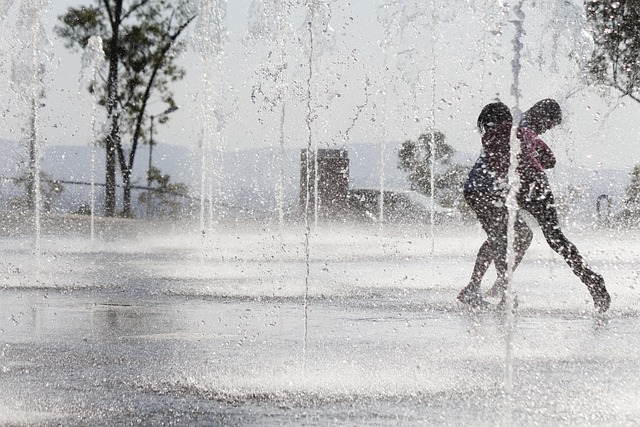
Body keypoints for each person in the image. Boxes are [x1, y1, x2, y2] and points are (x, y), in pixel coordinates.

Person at [459, 99, 611, 313]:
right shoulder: (525, 131)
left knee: (500, 236)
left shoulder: (491, 136)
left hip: (510, 186)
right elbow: (550, 160)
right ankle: (591, 279)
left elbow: (497, 164)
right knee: (555, 238)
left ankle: (504, 291)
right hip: (537, 183)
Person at [457, 102, 533, 307]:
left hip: (481, 191)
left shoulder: (498, 134)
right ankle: (500, 289)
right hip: (485, 191)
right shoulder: (505, 133)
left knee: (510, 236)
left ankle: (485, 285)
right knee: (501, 237)